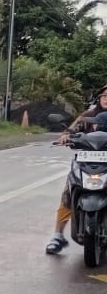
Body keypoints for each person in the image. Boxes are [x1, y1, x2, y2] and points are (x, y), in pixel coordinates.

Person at [47, 85, 107, 255]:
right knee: (68, 193)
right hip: (86, 162)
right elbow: (70, 130)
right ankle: (57, 235)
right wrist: (66, 136)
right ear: (98, 98)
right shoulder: (87, 117)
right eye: (104, 95)